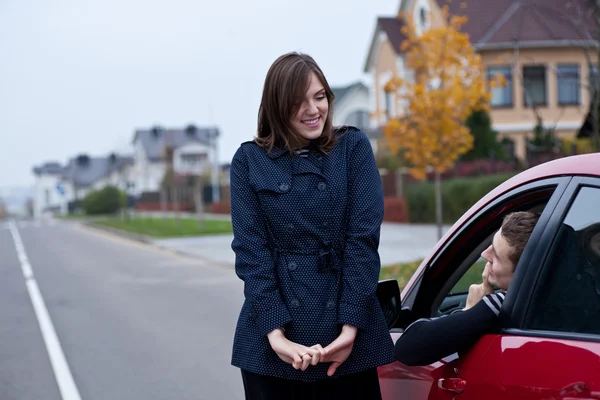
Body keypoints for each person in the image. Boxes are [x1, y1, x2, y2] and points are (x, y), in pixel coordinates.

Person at [229, 52, 395, 399]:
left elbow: (362, 242)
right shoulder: (249, 162)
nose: (313, 109)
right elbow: (251, 253)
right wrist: (275, 334)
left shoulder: (352, 148)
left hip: (348, 331)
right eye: (298, 102)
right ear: (276, 107)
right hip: (274, 342)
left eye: (319, 97)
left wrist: (351, 327)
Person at [394, 211, 540, 366]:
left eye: (496, 256)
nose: (484, 254)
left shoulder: (503, 305)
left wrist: (470, 311)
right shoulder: (550, 299)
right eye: (490, 246)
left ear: (522, 274)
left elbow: (407, 349)